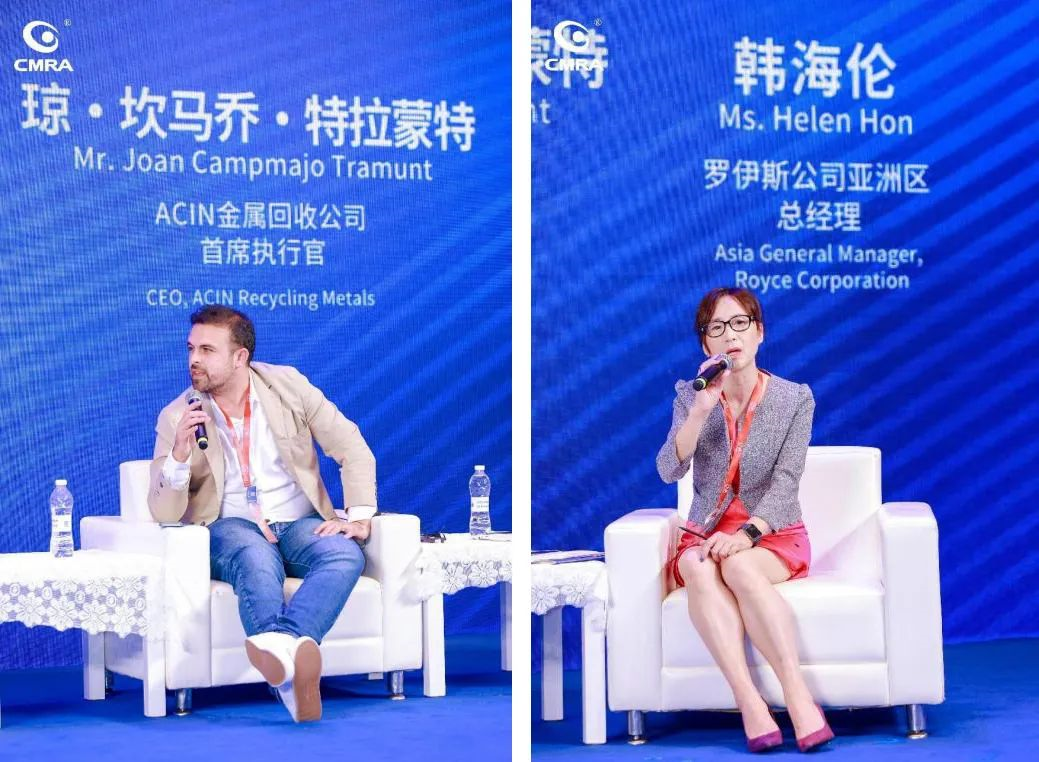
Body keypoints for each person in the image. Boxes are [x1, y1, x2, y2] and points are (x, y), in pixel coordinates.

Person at [148, 306, 376, 723]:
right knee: (255, 557)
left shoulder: (288, 386)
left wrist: (358, 517)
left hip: (298, 520)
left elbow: (351, 445)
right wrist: (179, 455)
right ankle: (293, 669)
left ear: (240, 357)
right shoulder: (177, 415)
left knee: (345, 553)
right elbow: (163, 511)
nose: (194, 359)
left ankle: (284, 652)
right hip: (229, 524)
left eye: (207, 350)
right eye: (191, 349)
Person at [656, 287, 834, 753]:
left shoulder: (794, 399)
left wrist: (748, 534)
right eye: (716, 328)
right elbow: (668, 469)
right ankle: (749, 701)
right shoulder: (689, 396)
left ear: (759, 333)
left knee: (737, 565)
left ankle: (797, 695)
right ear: (705, 344)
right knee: (698, 566)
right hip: (705, 532)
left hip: (772, 533)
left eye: (740, 324)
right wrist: (700, 411)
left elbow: (787, 481)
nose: (729, 336)